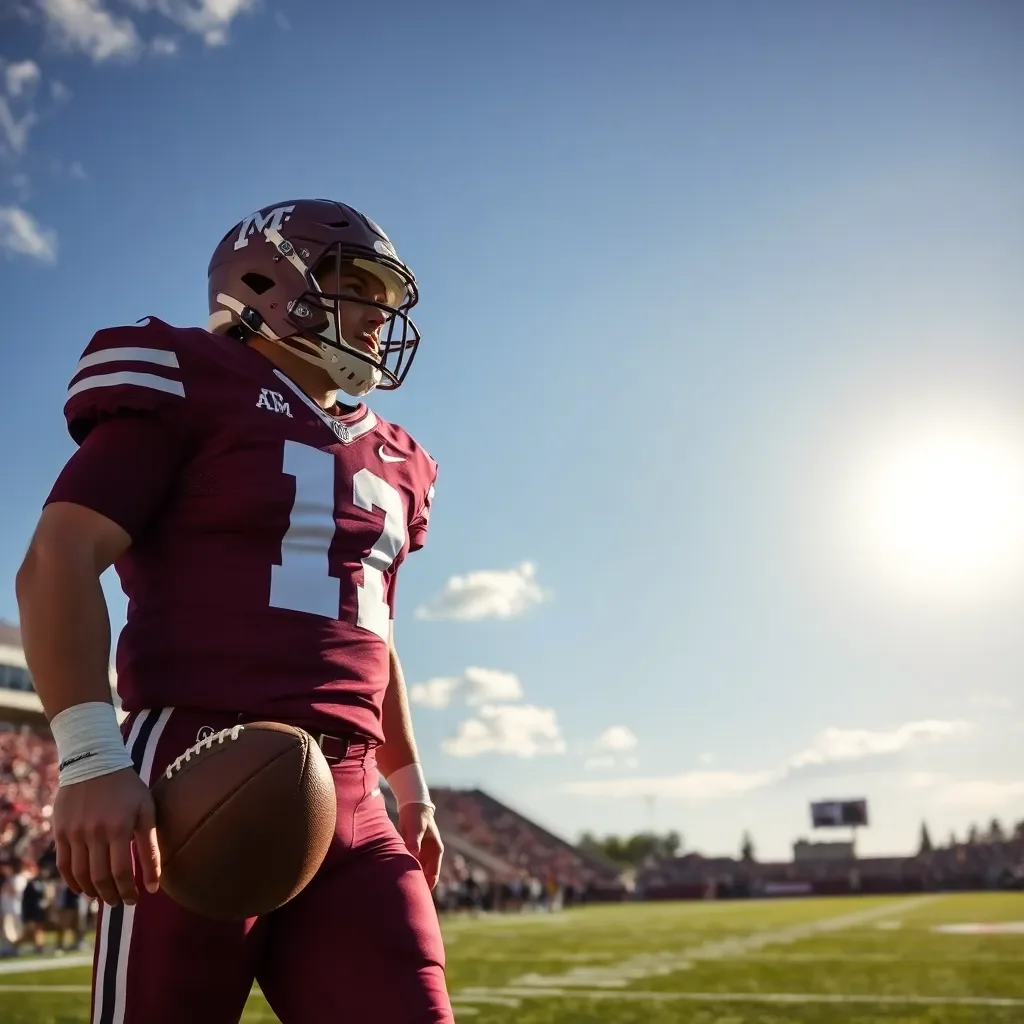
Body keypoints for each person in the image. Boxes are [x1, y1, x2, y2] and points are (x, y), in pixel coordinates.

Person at [16, 200, 453, 1023]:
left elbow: (372, 633)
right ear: (265, 279)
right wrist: (88, 756)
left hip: (354, 794)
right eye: (355, 283)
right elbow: (57, 560)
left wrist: (410, 784)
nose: (375, 315)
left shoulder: (401, 459)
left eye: (385, 298)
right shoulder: (188, 373)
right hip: (195, 765)